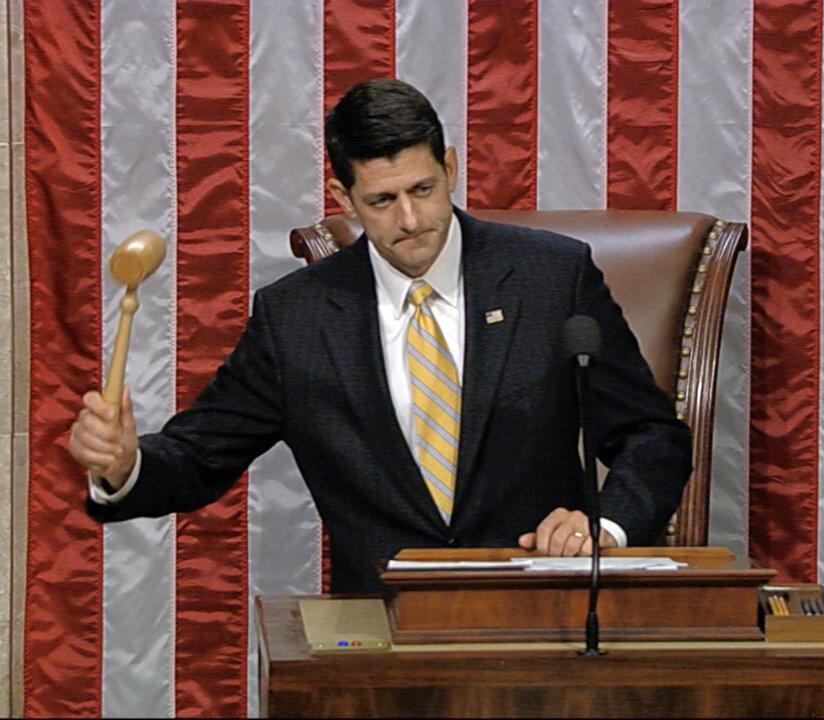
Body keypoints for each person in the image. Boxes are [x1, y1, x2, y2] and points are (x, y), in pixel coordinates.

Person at [68, 78, 691, 593]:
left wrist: (603, 526)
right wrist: (127, 464)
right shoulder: (297, 319)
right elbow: (200, 458)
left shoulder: (551, 279)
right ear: (344, 196)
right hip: (379, 631)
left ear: (449, 167)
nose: (411, 220)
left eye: (424, 189)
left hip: (538, 607)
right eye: (383, 200)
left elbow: (650, 436)